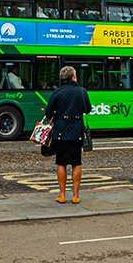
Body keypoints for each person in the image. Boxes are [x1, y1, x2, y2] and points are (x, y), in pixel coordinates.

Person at [44, 65, 92, 204]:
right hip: (77, 132)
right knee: (76, 163)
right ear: (74, 77)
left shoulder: (57, 92)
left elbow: (48, 112)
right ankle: (76, 196)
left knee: (61, 163)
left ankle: (62, 195)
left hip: (61, 132)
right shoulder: (82, 91)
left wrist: (58, 115)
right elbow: (87, 109)